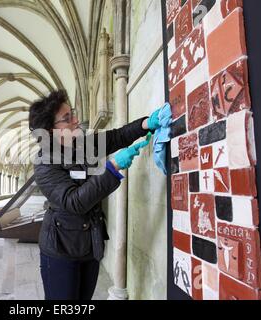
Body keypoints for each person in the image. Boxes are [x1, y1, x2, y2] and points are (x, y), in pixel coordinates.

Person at [28, 90, 167, 300]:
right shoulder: (44, 164)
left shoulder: (82, 144)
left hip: (89, 246)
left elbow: (116, 137)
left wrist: (146, 123)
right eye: (67, 119)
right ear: (50, 131)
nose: (76, 121)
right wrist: (112, 167)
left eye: (72, 113)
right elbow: (74, 202)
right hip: (60, 250)